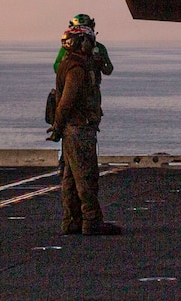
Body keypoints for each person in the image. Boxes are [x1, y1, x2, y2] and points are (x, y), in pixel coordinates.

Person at [47, 25, 122, 235]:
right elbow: (67, 101)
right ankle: (91, 220)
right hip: (79, 129)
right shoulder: (77, 69)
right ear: (81, 42)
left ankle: (71, 221)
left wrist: (58, 127)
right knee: (86, 176)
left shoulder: (69, 63)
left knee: (70, 178)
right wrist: (58, 126)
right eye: (89, 41)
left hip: (71, 129)